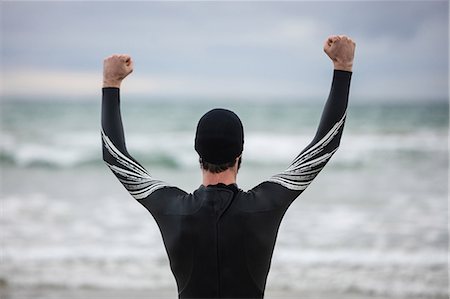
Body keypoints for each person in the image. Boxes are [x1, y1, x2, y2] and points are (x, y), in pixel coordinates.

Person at [101, 35, 355, 298]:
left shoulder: (172, 208)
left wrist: (111, 83)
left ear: (198, 155)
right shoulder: (264, 205)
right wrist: (342, 66)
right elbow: (325, 145)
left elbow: (114, 155)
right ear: (240, 155)